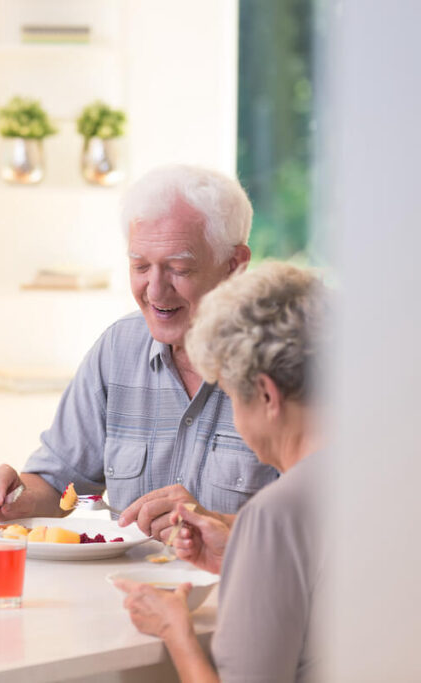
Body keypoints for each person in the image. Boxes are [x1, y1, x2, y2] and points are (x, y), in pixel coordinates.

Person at [0, 165, 279, 540]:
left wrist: (220, 525)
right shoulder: (118, 349)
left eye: (179, 268)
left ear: (234, 266)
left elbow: (327, 520)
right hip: (129, 592)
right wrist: (13, 495)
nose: (155, 290)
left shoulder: (283, 365)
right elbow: (56, 484)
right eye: (140, 266)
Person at [114, 261, 327, 682]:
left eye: (231, 397)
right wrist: (241, 560)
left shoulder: (276, 512)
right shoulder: (391, 477)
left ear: (266, 395)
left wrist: (175, 632)